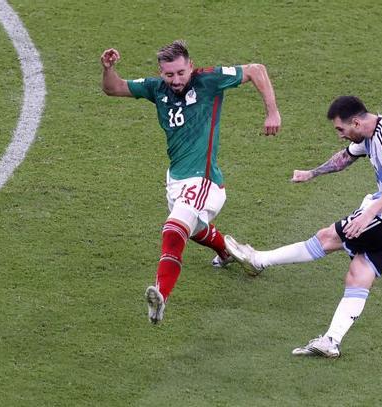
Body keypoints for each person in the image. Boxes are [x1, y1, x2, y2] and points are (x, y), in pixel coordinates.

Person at [225, 95, 382, 357]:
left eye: (341, 129)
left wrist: (367, 216)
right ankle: (331, 340)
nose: (340, 136)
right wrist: (312, 173)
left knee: (327, 238)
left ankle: (258, 260)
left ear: (355, 122)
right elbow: (345, 158)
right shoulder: (370, 132)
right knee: (359, 273)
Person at [100, 40, 281, 324]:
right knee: (191, 229)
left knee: (173, 230)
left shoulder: (208, 80)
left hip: (205, 181)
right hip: (176, 180)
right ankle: (228, 251)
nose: (176, 80)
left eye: (181, 73)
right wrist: (108, 69)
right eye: (169, 74)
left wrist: (272, 112)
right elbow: (113, 88)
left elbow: (256, 69)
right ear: (161, 73)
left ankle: (161, 296)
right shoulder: (155, 89)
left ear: (191, 67)